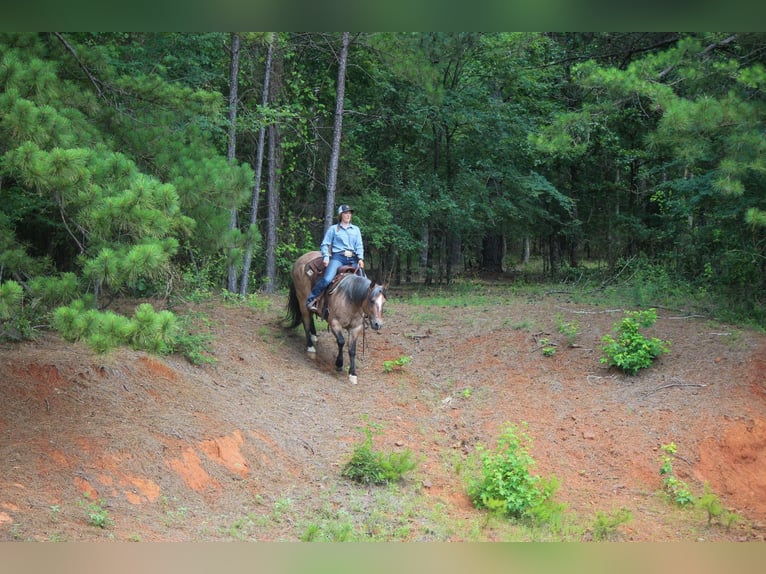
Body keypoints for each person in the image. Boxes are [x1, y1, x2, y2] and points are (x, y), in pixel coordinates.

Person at [306, 204, 365, 311]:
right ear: (340, 215)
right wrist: (325, 257)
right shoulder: (333, 229)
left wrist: (360, 258)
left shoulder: (356, 230)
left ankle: (365, 307)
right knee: (327, 279)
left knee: (364, 281)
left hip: (353, 258)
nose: (348, 215)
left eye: (349, 213)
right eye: (346, 213)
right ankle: (312, 300)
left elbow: (359, 245)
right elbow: (325, 244)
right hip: (338, 258)